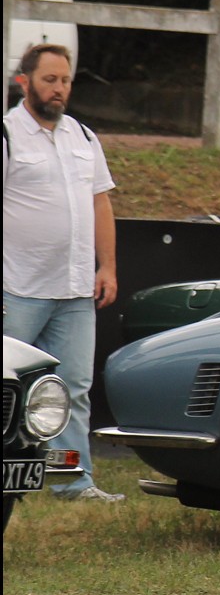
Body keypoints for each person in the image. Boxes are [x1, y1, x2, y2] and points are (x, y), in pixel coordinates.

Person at [3, 44, 124, 502]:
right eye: (49, 79)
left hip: (75, 292)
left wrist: (107, 267)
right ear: (24, 82)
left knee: (72, 388)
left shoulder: (84, 137)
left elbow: (101, 203)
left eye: (66, 81)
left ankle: (72, 482)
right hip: (17, 290)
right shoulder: (7, 134)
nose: (59, 89)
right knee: (7, 391)